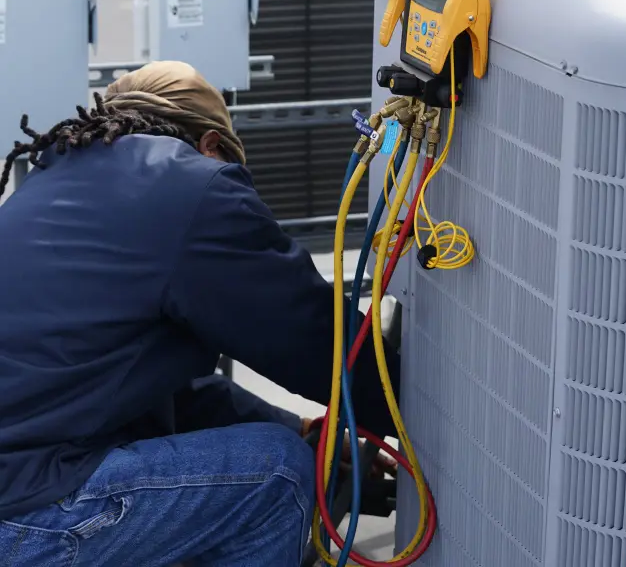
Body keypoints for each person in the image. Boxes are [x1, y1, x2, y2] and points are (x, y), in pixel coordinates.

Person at [0, 61, 399, 567]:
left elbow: (155, 394)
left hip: (17, 486)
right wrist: (418, 409)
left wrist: (299, 424)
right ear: (211, 145)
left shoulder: (56, 179)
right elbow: (309, 337)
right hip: (24, 514)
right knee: (274, 474)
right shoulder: (190, 186)